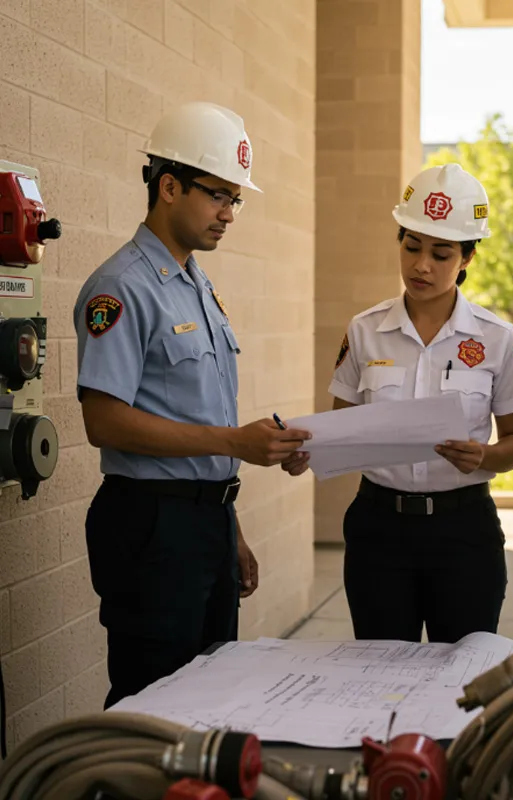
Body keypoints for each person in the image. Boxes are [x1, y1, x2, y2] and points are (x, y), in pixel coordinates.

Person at [73, 101, 310, 707]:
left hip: (204, 522)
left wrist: (227, 527)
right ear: (169, 186)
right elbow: (103, 421)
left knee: (210, 699)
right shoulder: (121, 286)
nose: (230, 213)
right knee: (151, 705)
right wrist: (235, 444)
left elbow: (197, 417)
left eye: (237, 199)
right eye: (219, 195)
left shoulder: (196, 282)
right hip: (151, 525)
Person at [283, 164, 513, 643]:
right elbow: (344, 431)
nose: (422, 265)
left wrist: (484, 456)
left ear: (468, 258)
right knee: (379, 679)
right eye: (411, 246)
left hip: (464, 532)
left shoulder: (497, 338)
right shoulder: (364, 330)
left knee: (461, 680)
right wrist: (308, 451)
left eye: (441, 254)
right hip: (380, 532)